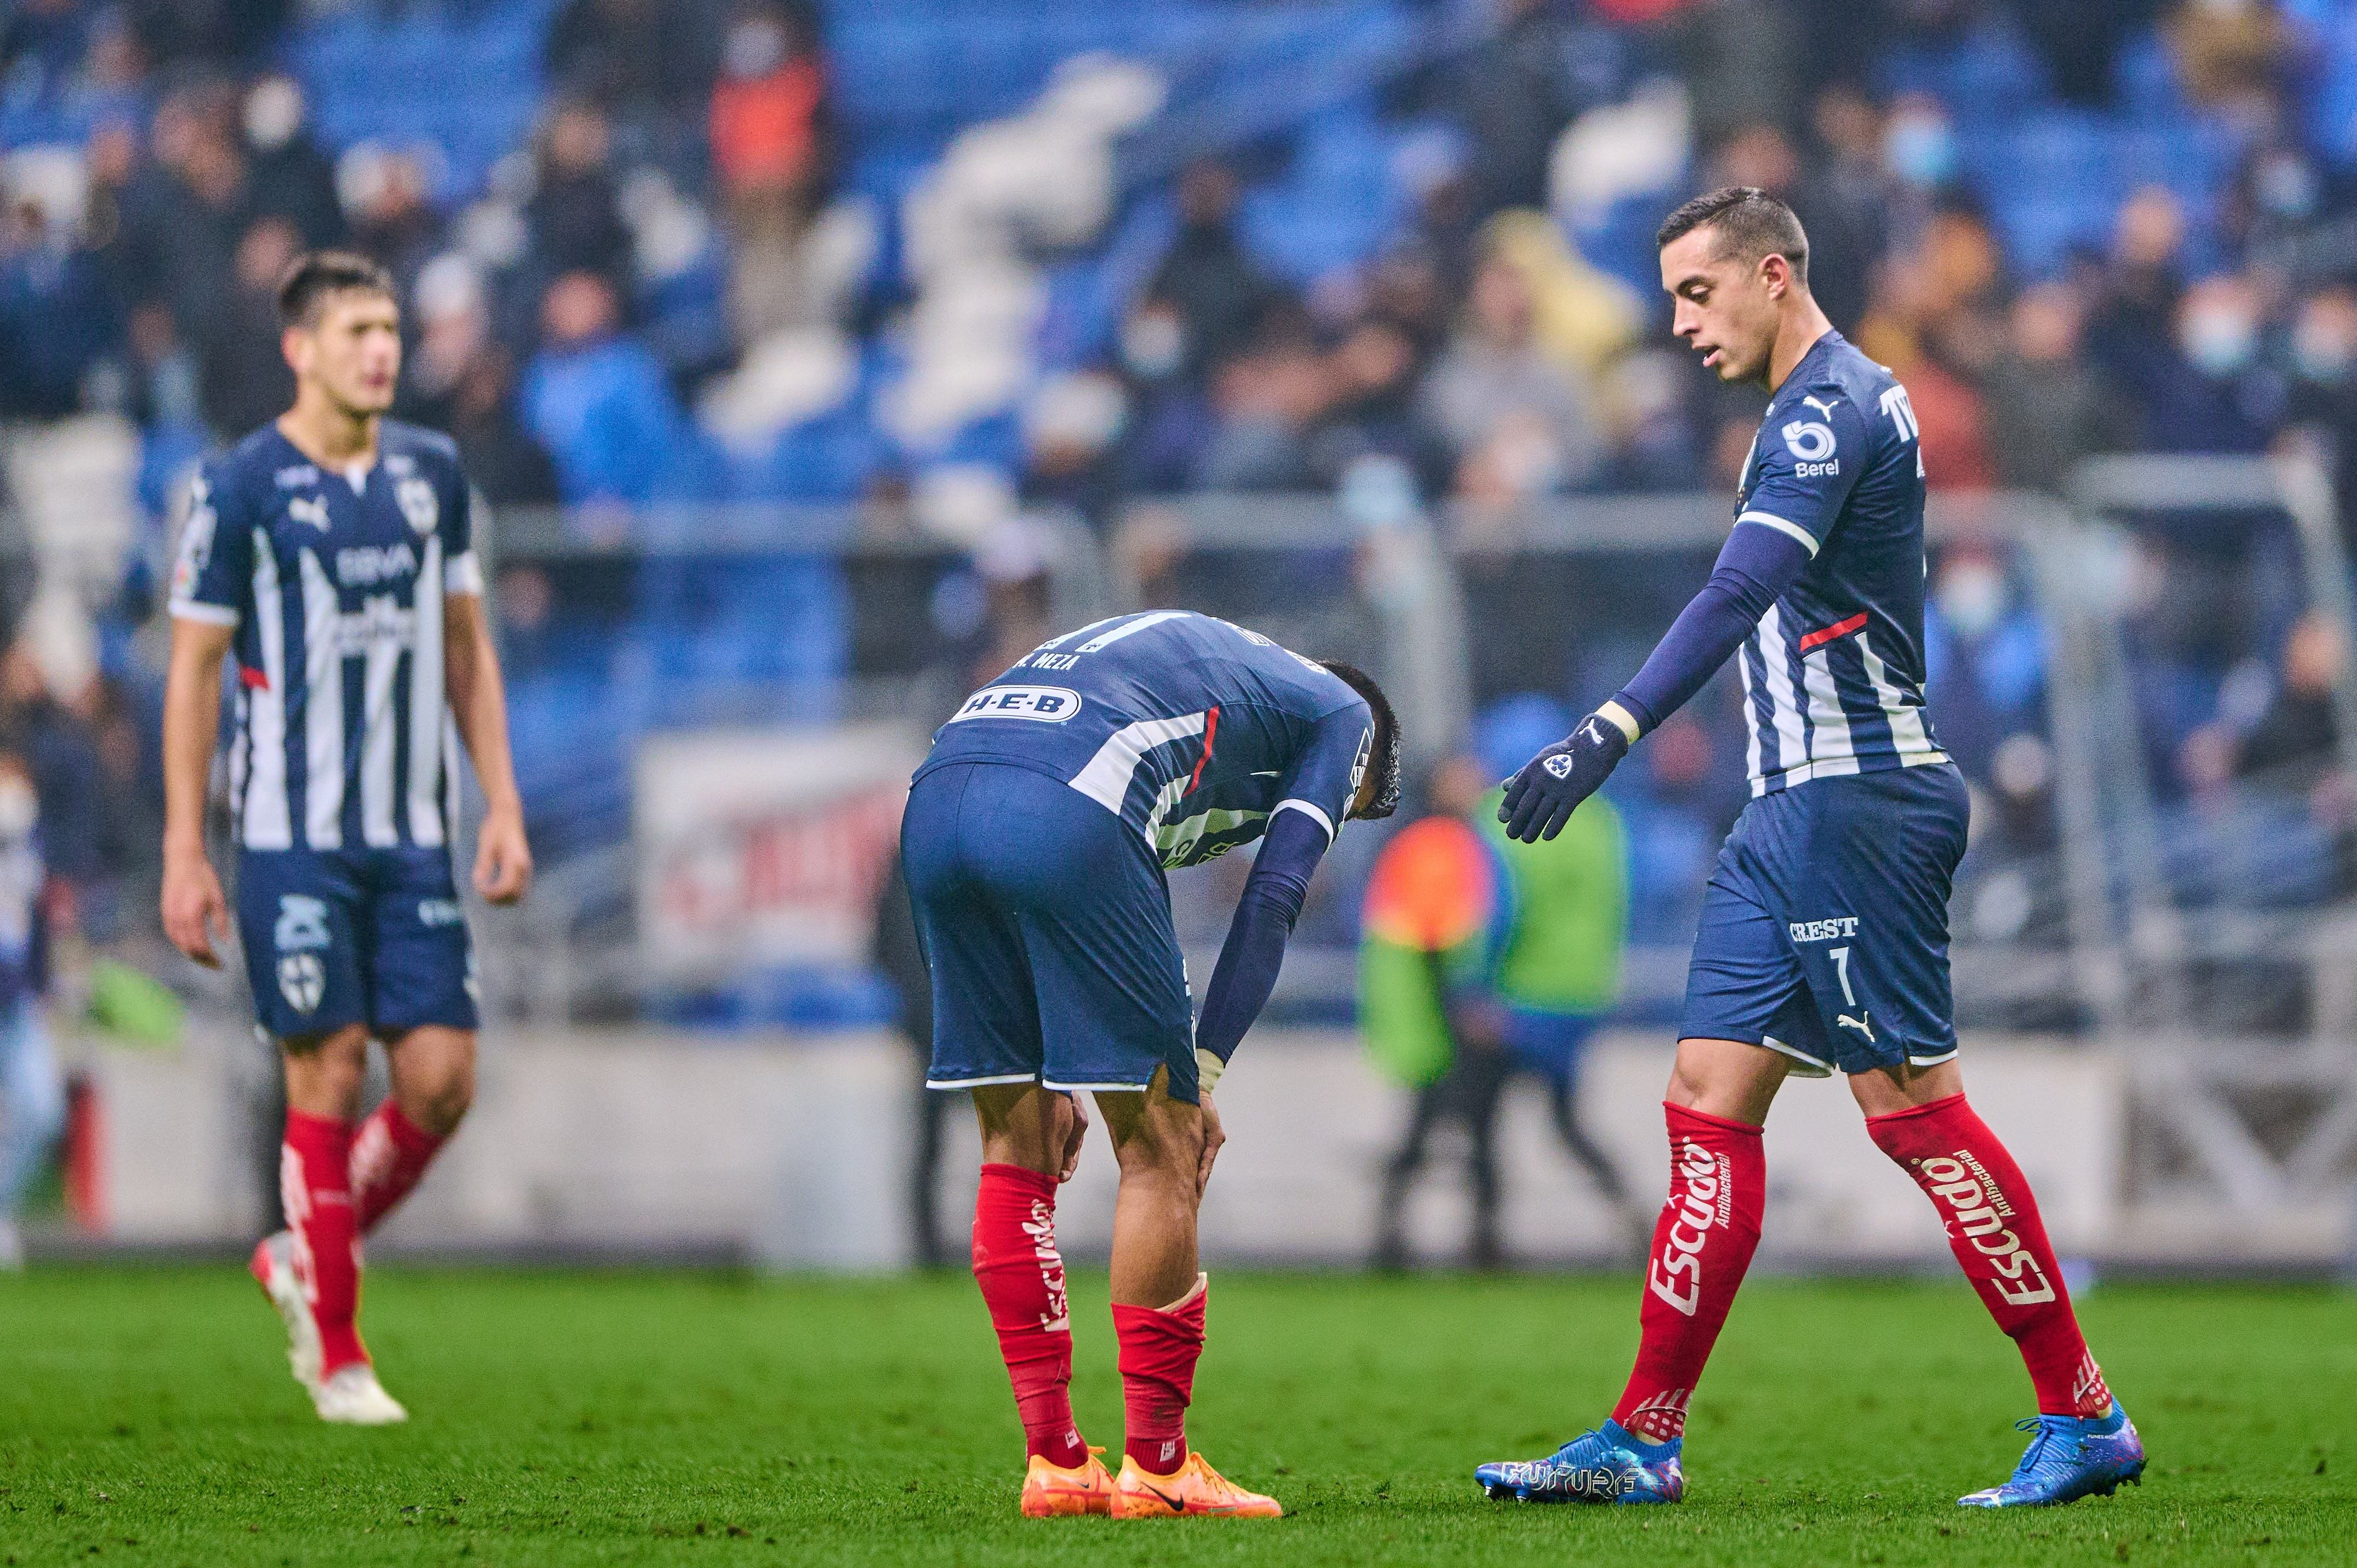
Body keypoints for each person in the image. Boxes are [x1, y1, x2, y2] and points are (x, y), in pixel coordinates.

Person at [1473, 189, 2143, 1510]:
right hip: (1786, 810)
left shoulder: (1830, 407)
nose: (1680, 324)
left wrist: (1603, 733)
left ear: (1773, 274)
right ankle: (1643, 1437)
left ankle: (2082, 1412)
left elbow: (1739, 589)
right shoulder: (1804, 408)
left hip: (1859, 803)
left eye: (1698, 292)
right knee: (1707, 1092)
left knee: (1912, 1112)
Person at [906, 610, 1399, 1519]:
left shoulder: (1228, 681)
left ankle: (1057, 1463)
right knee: (1164, 1151)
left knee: (1017, 1139)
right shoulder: (1345, 716)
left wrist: (1067, 1064)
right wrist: (1201, 1075)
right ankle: (1161, 1469)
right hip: (1068, 800)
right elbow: (1276, 896)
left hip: (938, 795)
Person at [159, 252, 533, 1425]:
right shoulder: (241, 487)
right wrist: (185, 847)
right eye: (357, 331)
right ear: (301, 349)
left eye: (390, 329)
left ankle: (302, 1250)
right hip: (293, 837)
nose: (381, 350)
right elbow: (194, 668)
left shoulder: (432, 474)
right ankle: (338, 1355)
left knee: (441, 1080)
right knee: (324, 1068)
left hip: (413, 834)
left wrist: (502, 802)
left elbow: (467, 647)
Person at [1365, 699, 1638, 1270]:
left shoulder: (1504, 811)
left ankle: (1471, 1238)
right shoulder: (1604, 819)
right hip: (1580, 997)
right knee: (1565, 1122)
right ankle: (1635, 1219)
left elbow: (1498, 912)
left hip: (1510, 999)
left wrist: (1473, 992)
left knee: (1473, 1118)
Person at [0, 741, 67, 1269]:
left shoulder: (30, 843)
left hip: (18, 1003)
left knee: (43, 1111)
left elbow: (38, 920)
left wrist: (44, 984)